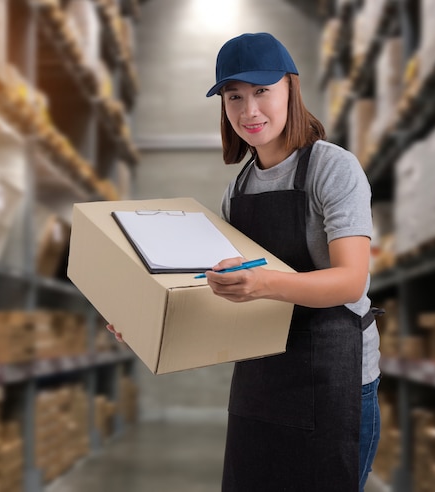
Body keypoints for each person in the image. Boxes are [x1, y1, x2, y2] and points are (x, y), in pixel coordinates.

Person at [108, 32, 381, 492]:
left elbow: (350, 281)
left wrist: (262, 285)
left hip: (334, 376)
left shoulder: (332, 167)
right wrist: (143, 321)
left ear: (290, 89)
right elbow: (223, 294)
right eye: (234, 97)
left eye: (261, 91)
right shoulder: (237, 191)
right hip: (262, 376)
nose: (249, 111)